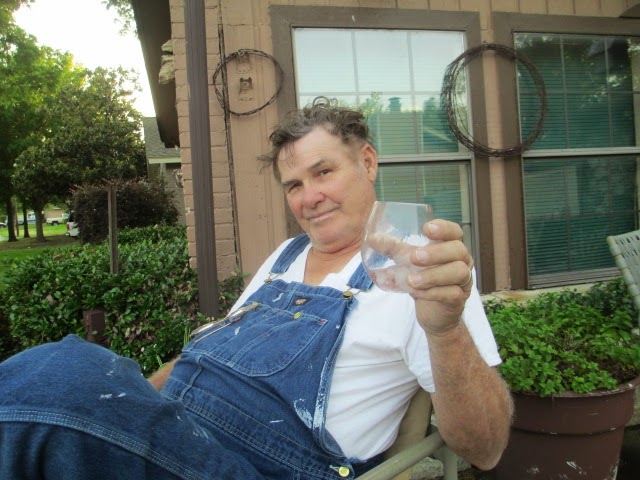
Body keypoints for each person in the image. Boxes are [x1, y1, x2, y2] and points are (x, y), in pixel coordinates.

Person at [0, 97, 512, 479]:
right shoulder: (284, 257)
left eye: (324, 172)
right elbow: (210, 355)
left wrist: (445, 331)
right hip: (174, 438)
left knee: (62, 374)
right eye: (294, 185)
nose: (310, 197)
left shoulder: (421, 273)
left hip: (262, 466)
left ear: (368, 162)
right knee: (70, 376)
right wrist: (130, 400)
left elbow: (486, 449)